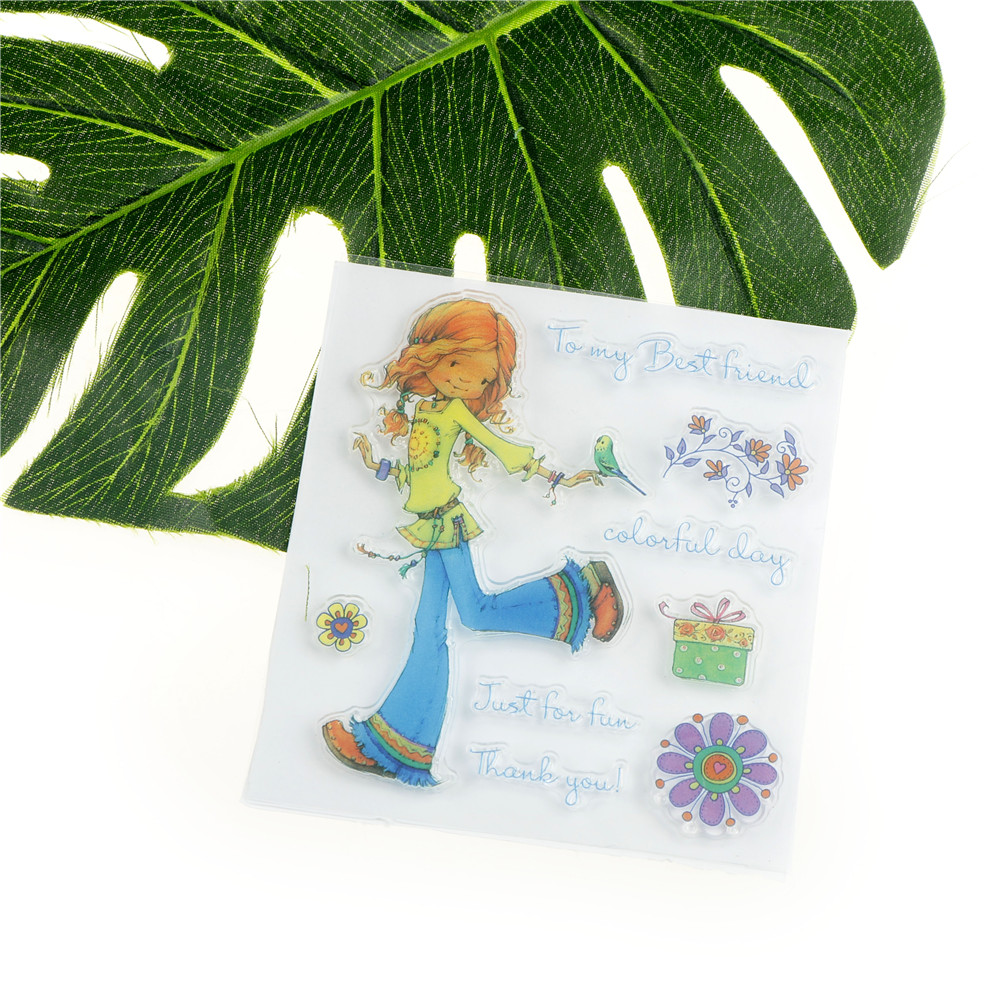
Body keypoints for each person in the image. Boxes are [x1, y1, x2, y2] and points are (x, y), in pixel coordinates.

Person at [322, 297, 623, 785]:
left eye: (483, 380)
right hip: (429, 525)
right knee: (434, 626)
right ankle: (397, 748)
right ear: (433, 355)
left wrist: (556, 476)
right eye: (461, 367)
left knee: (465, 617)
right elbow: (415, 472)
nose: (469, 383)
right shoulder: (421, 411)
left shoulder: (456, 413)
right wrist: (373, 463)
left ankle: (583, 597)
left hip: (448, 523)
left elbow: (502, 448)